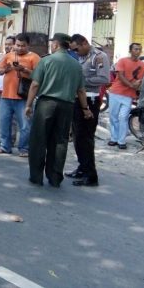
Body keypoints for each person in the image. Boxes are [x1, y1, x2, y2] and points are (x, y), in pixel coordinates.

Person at [25, 33, 93, 187]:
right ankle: (55, 178)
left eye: (52, 43)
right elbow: (81, 90)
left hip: (46, 104)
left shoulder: (46, 60)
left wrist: (28, 105)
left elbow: (35, 84)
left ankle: (36, 177)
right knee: (60, 142)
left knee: (38, 140)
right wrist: (85, 109)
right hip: (67, 106)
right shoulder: (76, 65)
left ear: (55, 44)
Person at [65, 34, 111, 187]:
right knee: (78, 137)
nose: (75, 52)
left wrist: (81, 82)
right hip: (77, 99)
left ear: (84, 43)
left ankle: (91, 175)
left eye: (77, 49)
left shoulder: (99, 56)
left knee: (86, 138)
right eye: (73, 50)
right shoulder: (79, 57)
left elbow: (104, 79)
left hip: (90, 100)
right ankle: (82, 168)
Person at [0, 33, 40, 156]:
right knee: (4, 123)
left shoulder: (34, 57)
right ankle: (5, 146)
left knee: (25, 125)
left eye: (22, 46)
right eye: (17, 45)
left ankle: (24, 149)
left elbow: (38, 76)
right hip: (6, 96)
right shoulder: (8, 56)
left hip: (23, 97)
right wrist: (6, 69)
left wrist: (24, 70)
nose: (19, 48)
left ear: (28, 45)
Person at [108, 43, 144, 149]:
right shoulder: (122, 61)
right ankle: (114, 138)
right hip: (116, 92)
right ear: (130, 50)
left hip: (129, 95)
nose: (138, 51)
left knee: (123, 117)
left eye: (139, 49)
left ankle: (121, 141)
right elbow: (120, 76)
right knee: (113, 116)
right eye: (135, 49)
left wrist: (139, 85)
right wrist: (131, 85)